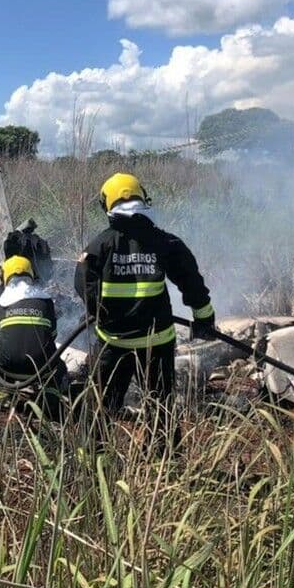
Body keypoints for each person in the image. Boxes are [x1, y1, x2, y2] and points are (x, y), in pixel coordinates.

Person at [74, 172, 214, 449]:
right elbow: (192, 284)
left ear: (107, 206)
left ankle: (92, 461)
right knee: (160, 405)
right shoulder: (166, 242)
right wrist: (204, 319)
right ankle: (164, 461)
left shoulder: (97, 247)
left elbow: (84, 288)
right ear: (143, 200)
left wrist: (102, 316)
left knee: (101, 406)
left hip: (114, 343)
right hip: (157, 342)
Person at [0, 254, 68, 418]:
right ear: (30, 275)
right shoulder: (46, 300)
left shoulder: (2, 301)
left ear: (6, 275)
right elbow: (53, 333)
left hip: (7, 364)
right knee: (57, 364)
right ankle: (51, 397)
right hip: (40, 365)